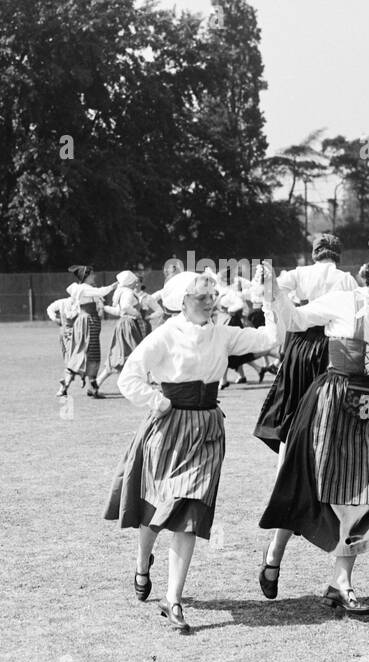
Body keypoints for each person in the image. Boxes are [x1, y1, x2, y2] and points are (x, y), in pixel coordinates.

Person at [257, 248, 369, 617]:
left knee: (366, 490)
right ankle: (275, 551)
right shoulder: (342, 300)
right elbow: (294, 319)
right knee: (308, 483)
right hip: (329, 401)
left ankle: (342, 583)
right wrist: (274, 290)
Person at [105, 271, 280, 634]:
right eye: (201, 296)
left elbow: (269, 338)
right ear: (182, 300)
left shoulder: (222, 333)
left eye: (212, 295)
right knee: (156, 509)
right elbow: (129, 376)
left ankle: (173, 598)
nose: (210, 301)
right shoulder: (166, 335)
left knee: (189, 510)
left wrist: (268, 297)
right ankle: (142, 562)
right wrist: (157, 401)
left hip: (207, 432)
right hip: (169, 430)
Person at [253, 235, 358, 598]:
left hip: (299, 346)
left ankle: (289, 453)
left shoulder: (299, 273)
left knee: (295, 416)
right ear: (337, 255)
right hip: (329, 350)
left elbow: (269, 294)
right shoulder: (345, 279)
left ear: (316, 253)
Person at [61, 266, 116, 398]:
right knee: (86, 353)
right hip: (88, 322)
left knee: (88, 353)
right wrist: (114, 286)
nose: (94, 276)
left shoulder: (83, 288)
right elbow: (101, 292)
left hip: (90, 321)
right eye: (92, 274)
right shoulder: (84, 288)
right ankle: (73, 384)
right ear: (86, 276)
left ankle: (87, 386)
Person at [98, 271, 150, 389]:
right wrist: (136, 312)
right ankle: (144, 385)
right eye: (134, 281)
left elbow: (118, 311)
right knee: (136, 354)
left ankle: (96, 383)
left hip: (124, 324)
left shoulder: (122, 293)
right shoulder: (128, 293)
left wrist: (104, 307)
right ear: (130, 282)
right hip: (129, 325)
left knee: (120, 355)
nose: (136, 283)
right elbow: (126, 307)